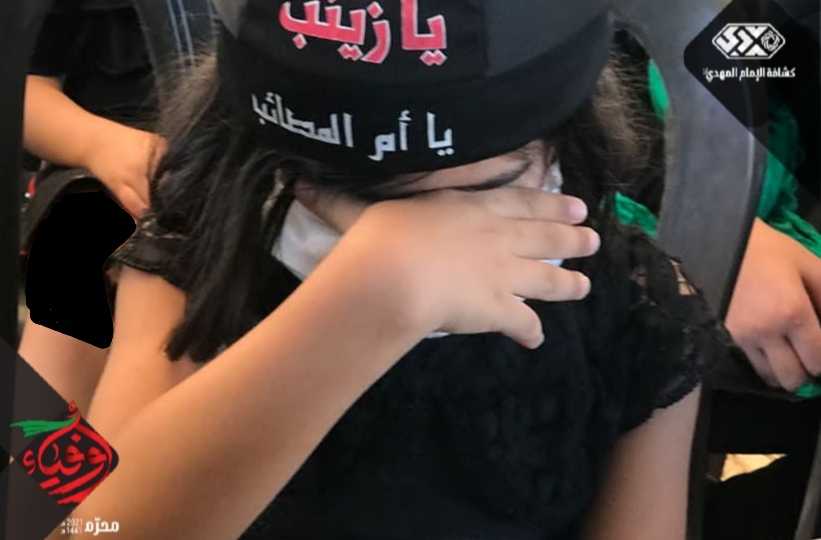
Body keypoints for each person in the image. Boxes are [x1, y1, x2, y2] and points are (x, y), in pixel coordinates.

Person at [50, 1, 729, 538]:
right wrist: (365, 300)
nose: (425, 240)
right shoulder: (197, 253)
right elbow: (95, 529)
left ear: (566, 136)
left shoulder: (636, 315)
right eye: (346, 199)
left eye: (479, 195)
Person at [19, 0, 165, 414]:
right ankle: (47, 454)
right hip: (107, 155)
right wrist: (100, 145)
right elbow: (25, 90)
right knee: (76, 243)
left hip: (264, 171)